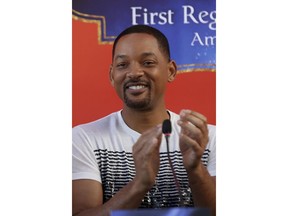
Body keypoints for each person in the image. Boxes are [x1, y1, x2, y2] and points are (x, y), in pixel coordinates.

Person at [72, 25, 216, 216]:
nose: (134, 73)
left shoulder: (207, 138)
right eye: (123, 65)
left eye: (148, 63)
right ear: (111, 75)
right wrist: (139, 184)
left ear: (171, 71)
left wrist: (196, 170)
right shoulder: (85, 139)